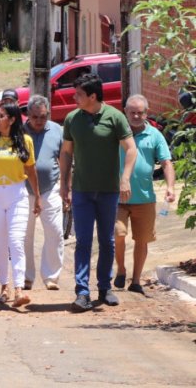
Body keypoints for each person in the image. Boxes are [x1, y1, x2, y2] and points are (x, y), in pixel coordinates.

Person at [60, 73, 137, 312]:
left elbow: (131, 149)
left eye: (79, 94)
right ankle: (82, 292)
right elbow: (66, 153)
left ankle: (105, 288)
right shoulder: (73, 119)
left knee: (107, 240)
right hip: (82, 191)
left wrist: (125, 178)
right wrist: (64, 183)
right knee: (83, 241)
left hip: (108, 191)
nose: (75, 97)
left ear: (93, 96)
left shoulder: (115, 117)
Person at [0, 103, 41, 307]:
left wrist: (37, 196)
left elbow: (31, 170)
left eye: (0, 116)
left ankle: (19, 288)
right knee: (0, 243)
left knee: (16, 240)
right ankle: (4, 286)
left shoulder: (25, 141)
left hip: (17, 193)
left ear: (11, 120)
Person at [114, 95, 176, 294]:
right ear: (125, 111)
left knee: (142, 240)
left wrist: (170, 187)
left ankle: (136, 281)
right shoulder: (117, 134)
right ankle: (121, 269)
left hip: (144, 198)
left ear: (146, 113)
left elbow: (166, 163)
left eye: (140, 112)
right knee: (117, 234)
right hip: (117, 197)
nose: (136, 116)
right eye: (132, 112)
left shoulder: (155, 135)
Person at [23, 96, 65, 291]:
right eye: (35, 117)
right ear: (28, 115)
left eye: (43, 116)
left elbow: (64, 160)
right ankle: (25, 276)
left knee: (55, 232)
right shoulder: (19, 132)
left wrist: (67, 187)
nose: (39, 121)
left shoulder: (57, 131)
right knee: (24, 236)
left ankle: (51, 276)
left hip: (51, 189)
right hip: (24, 191)